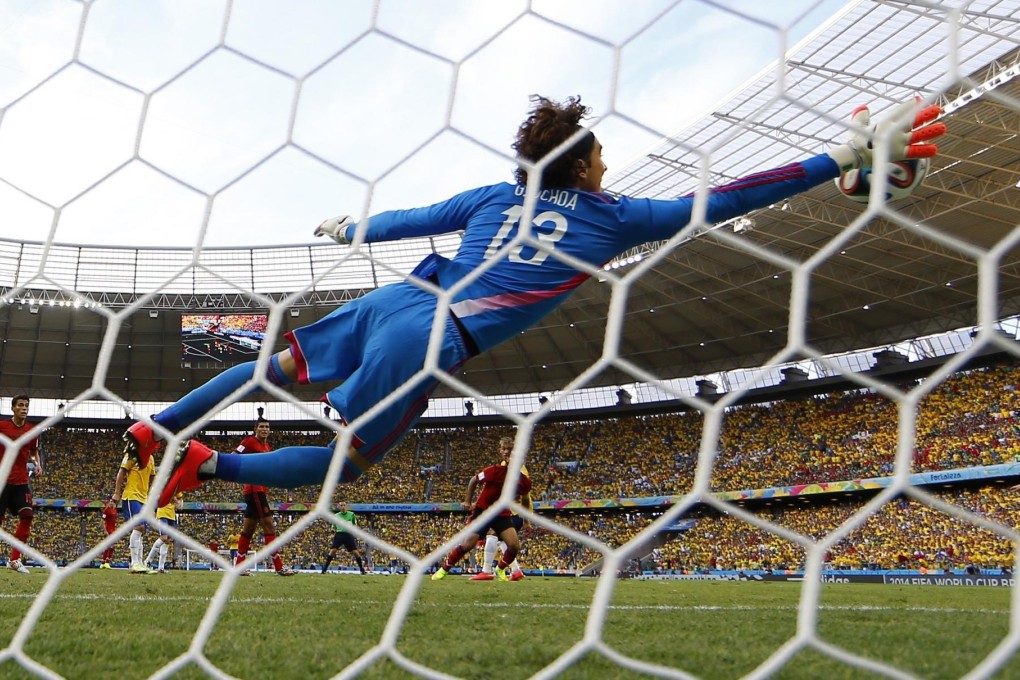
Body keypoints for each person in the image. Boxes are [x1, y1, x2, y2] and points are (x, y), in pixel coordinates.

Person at [120, 95, 945, 506]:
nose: (609, 169)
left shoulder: (490, 198)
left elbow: (407, 219)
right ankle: (210, 464)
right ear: (583, 167)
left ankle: (159, 426)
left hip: (394, 300)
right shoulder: (615, 218)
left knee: (268, 363)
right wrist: (835, 155)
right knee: (348, 462)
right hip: (432, 338)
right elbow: (727, 197)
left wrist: (347, 229)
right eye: (603, 159)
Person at [432, 453, 533, 581]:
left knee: (514, 546)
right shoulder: (495, 471)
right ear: (507, 459)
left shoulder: (525, 482)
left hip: (502, 514)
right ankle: (443, 570)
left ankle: (500, 569)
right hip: (483, 512)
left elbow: (525, 500)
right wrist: (468, 501)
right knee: (467, 545)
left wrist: (526, 520)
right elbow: (474, 480)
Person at [230, 419, 296, 576]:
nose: (265, 429)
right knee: (269, 525)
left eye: (267, 427)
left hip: (260, 490)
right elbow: (233, 455)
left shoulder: (267, 447)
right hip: (255, 490)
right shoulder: (249, 441)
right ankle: (279, 567)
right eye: (261, 427)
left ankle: (239, 567)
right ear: (256, 429)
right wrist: (232, 475)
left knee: (248, 529)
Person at [472, 437, 531, 582]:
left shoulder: (517, 468)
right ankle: (516, 570)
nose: (505, 452)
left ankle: (486, 571)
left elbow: (525, 496)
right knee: (506, 542)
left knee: (492, 534)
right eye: (503, 448)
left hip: (511, 512)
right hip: (511, 511)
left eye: (508, 449)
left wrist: (526, 518)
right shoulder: (506, 465)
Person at [0, 395, 42, 574]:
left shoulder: (32, 430)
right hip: (2, 480)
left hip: (21, 481)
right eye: (21, 405)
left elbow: (33, 451)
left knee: (27, 516)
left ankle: (14, 559)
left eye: (26, 405)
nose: (24, 408)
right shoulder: (2, 426)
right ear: (13, 408)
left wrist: (37, 463)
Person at [112, 441, 156, 575]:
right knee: (139, 527)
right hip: (131, 496)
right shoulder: (132, 454)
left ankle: (140, 563)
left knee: (142, 531)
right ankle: (134, 563)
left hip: (144, 499)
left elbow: (153, 477)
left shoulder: (151, 458)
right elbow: (121, 472)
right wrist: (117, 492)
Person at [321, 501, 368, 574]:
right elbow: (333, 526)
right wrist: (333, 531)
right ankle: (324, 570)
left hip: (348, 534)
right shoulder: (336, 515)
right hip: (339, 534)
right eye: (341, 505)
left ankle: (362, 569)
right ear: (339, 507)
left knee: (355, 552)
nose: (342, 506)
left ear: (346, 506)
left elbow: (354, 524)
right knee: (333, 551)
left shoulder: (351, 514)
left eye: (344, 505)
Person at [145, 492, 183, 573]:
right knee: (163, 538)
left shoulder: (177, 488)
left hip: (171, 516)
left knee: (168, 540)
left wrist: (179, 503)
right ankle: (148, 561)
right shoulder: (165, 486)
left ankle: (161, 568)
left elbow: (180, 500)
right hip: (162, 513)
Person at [99, 497, 118, 568]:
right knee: (110, 545)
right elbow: (102, 521)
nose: (111, 503)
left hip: (113, 530)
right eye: (110, 502)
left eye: (112, 502)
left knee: (111, 546)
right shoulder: (106, 510)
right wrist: (105, 530)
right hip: (108, 530)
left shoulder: (115, 510)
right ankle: (106, 562)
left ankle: (103, 562)